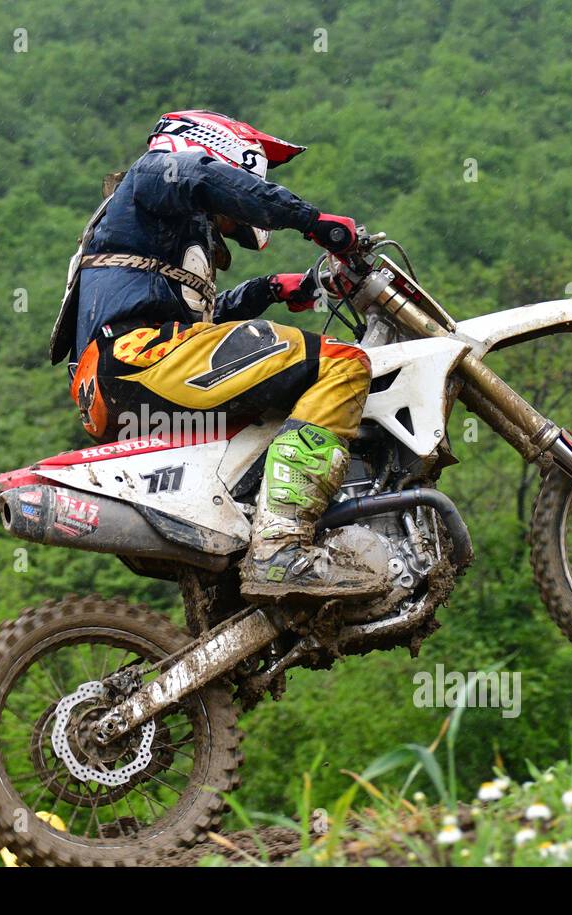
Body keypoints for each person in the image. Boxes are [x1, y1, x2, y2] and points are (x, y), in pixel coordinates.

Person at [50, 110, 377, 599]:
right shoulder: (158, 169)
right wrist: (315, 223)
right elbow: (205, 177)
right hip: (140, 356)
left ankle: (249, 556)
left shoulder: (145, 225)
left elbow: (190, 320)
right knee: (339, 363)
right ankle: (281, 549)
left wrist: (269, 289)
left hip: (125, 375)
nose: (232, 227)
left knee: (270, 405)